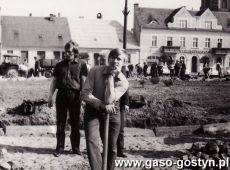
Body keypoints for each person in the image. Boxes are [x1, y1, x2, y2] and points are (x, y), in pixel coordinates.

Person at [81, 48, 129, 170]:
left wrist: (111, 79)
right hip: (93, 111)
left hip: (113, 113)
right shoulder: (94, 71)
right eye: (112, 57)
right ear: (108, 59)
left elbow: (109, 101)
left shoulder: (124, 82)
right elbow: (85, 94)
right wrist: (101, 105)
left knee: (111, 148)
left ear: (124, 62)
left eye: (119, 59)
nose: (115, 61)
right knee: (92, 142)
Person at [48, 40, 88, 157]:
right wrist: (50, 96)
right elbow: (54, 82)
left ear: (75, 52)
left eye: (69, 52)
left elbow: (84, 82)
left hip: (75, 96)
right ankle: (59, 148)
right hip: (61, 96)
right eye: (65, 51)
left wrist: (84, 96)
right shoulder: (59, 65)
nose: (66, 54)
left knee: (75, 123)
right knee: (60, 123)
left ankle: (75, 148)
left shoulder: (82, 64)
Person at [117, 65, 129, 158]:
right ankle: (108, 149)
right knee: (108, 129)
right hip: (109, 104)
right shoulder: (107, 69)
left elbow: (126, 88)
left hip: (120, 105)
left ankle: (120, 151)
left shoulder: (122, 69)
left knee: (120, 129)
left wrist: (126, 103)